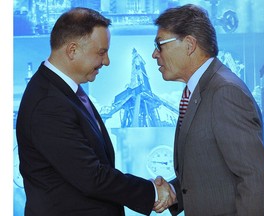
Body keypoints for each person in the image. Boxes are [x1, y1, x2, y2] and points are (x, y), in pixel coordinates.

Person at [16, 7, 174, 216]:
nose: (106, 61)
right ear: (72, 50)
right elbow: (91, 176)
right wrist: (153, 192)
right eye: (101, 52)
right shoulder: (48, 103)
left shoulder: (63, 92)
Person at [152, 4, 264, 216]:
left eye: (160, 45)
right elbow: (210, 174)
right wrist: (172, 191)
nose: (155, 54)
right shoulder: (201, 90)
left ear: (189, 44)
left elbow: (255, 179)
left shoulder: (225, 92)